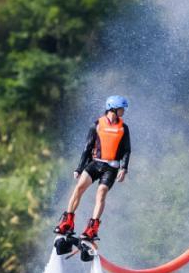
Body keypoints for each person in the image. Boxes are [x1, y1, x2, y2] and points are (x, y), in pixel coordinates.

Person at [53, 95, 131, 241]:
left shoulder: (123, 128)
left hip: (111, 167)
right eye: (121, 109)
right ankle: (67, 222)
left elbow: (127, 150)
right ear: (113, 108)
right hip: (95, 163)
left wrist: (124, 168)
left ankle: (92, 228)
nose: (124, 111)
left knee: (101, 193)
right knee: (79, 188)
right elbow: (87, 148)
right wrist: (79, 168)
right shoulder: (97, 125)